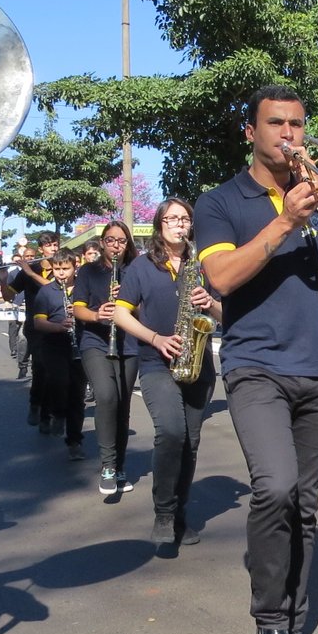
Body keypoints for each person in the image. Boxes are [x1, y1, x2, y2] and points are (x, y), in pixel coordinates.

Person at [195, 84, 318, 634]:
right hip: (255, 367)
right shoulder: (222, 201)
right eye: (277, 124)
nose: (290, 135)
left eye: (297, 124)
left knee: (305, 504)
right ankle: (269, 626)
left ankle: (292, 632)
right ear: (251, 131)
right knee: (273, 488)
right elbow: (219, 276)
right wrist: (284, 220)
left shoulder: (317, 198)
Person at [110, 198, 224, 550]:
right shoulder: (142, 267)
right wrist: (156, 338)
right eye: (172, 218)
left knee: (190, 443)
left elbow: (226, 314)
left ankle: (180, 513)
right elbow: (120, 314)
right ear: (160, 225)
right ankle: (163, 511)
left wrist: (212, 304)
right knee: (171, 433)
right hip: (156, 362)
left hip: (198, 362)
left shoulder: (204, 264)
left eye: (185, 218)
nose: (179, 224)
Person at [71, 222, 140, 494]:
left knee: (122, 406)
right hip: (95, 342)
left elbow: (145, 307)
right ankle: (108, 466)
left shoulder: (136, 270)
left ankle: (119, 465)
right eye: (110, 240)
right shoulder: (88, 271)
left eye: (121, 241)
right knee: (107, 396)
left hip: (129, 344)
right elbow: (78, 308)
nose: (115, 245)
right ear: (102, 243)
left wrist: (127, 302)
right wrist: (98, 315)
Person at [32, 250, 88, 459]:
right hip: (54, 345)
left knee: (77, 395)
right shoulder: (46, 292)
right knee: (58, 381)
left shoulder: (84, 288)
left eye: (66, 269)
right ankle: (57, 413)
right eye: (57, 269)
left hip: (81, 346)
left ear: (75, 267)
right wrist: (59, 326)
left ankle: (74, 441)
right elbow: (38, 323)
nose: (61, 273)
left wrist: (82, 314)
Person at [4, 232, 60, 429]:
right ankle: (39, 408)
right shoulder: (30, 269)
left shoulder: (62, 267)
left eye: (55, 244)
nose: (53, 249)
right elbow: (9, 295)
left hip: (60, 327)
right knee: (41, 369)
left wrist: (30, 273)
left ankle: (51, 409)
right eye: (49, 246)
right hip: (36, 328)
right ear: (41, 249)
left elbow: (58, 289)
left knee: (57, 372)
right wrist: (3, 276)